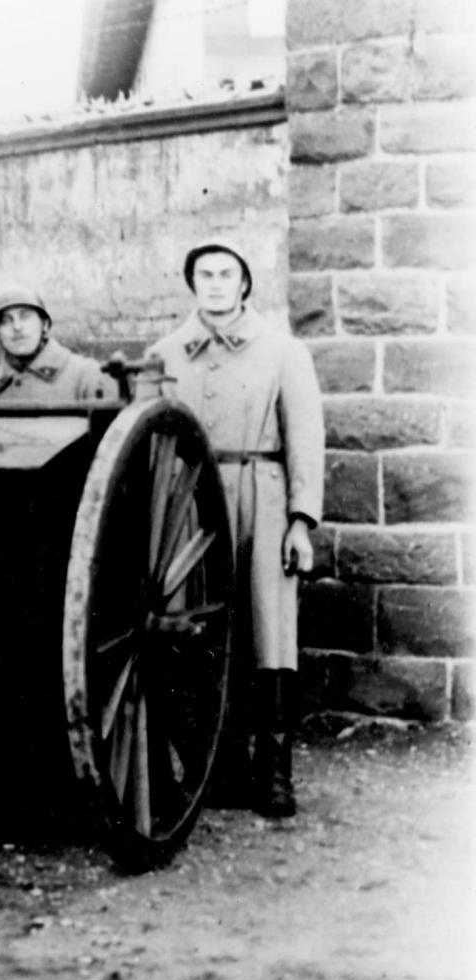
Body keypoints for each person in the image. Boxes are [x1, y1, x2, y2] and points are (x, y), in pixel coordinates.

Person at [150, 237, 324, 818]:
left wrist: (301, 522)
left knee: (269, 629)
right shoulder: (165, 354)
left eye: (227, 274)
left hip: (263, 494)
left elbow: (304, 440)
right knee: (197, 629)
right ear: (192, 284)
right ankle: (218, 771)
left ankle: (274, 773)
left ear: (245, 283)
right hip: (191, 506)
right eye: (205, 274)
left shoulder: (282, 352)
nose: (217, 284)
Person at [0, 285, 112, 402]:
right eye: (5, 321)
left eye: (25, 316)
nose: (17, 327)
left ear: (44, 325)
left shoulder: (87, 377)